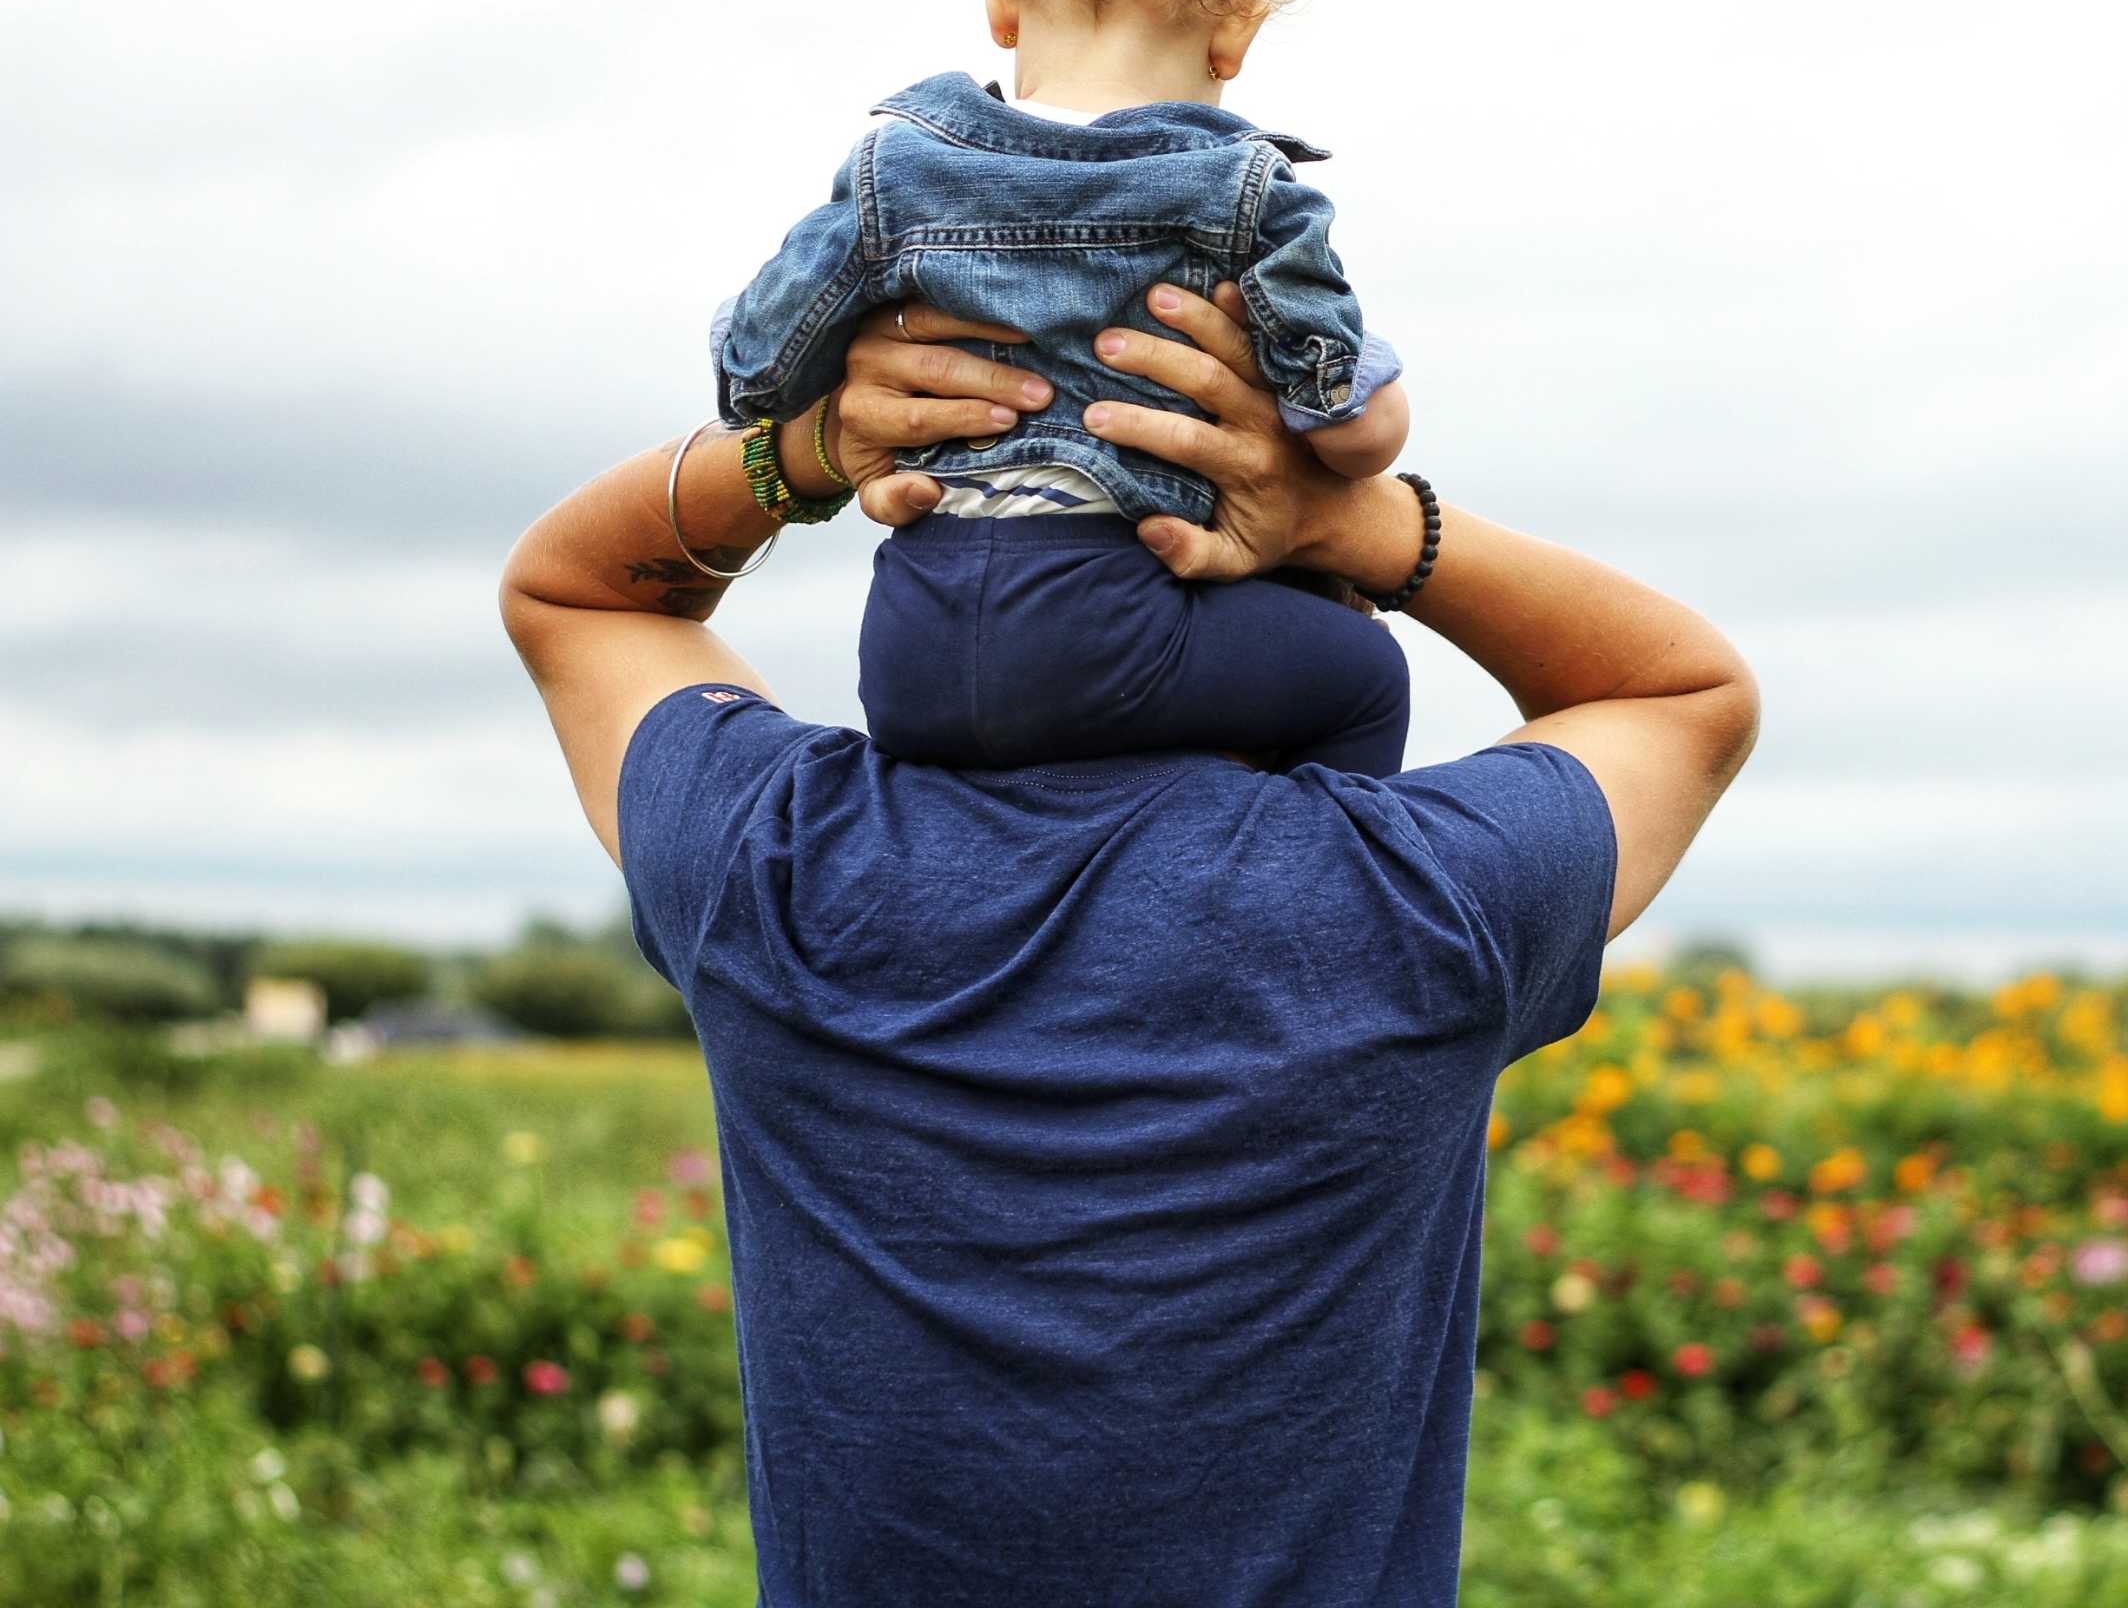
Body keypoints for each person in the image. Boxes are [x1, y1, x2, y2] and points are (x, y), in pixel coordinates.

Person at [498, 285, 1757, 1607]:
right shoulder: (1421, 899)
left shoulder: (786, 865)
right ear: (1308, 618)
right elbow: (1678, 691)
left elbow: (581, 597)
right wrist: (1363, 520)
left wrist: (805, 451)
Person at [712, 0, 1414, 776]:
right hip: (1117, 625)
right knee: (1365, 673)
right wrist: (1373, 391)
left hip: (913, 641)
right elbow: (1346, 428)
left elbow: (756, 373)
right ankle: (1315, 887)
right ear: (1236, 37)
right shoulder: (1246, 190)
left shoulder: (895, 170)